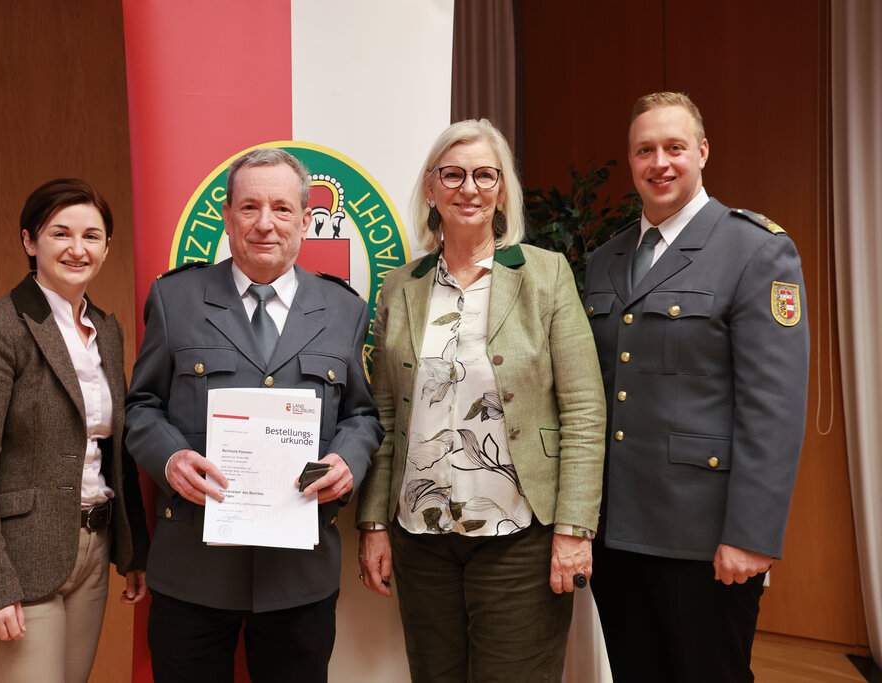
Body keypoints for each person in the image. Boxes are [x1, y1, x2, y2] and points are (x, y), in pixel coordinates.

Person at [355, 119, 606, 682]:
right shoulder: (401, 286)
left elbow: (585, 412)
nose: (468, 188)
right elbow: (385, 416)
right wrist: (373, 522)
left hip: (521, 535)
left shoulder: (545, 275)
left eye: (484, 174)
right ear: (430, 187)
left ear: (501, 189)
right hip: (420, 537)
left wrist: (574, 528)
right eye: (453, 174)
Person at [124, 148, 383, 683]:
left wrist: (349, 461)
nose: (266, 224)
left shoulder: (344, 309)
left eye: (282, 209)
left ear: (306, 221)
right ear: (227, 216)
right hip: (194, 566)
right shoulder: (175, 298)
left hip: (299, 574)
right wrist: (168, 457)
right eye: (250, 207)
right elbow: (141, 406)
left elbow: (362, 415)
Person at [583, 92, 810, 682]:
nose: (660, 162)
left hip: (705, 542)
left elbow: (773, 409)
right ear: (631, 161)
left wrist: (751, 536)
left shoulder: (756, 250)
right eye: (644, 150)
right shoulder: (604, 260)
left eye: (674, 147)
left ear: (702, 153)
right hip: (617, 533)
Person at [0, 178, 150, 682]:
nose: (78, 249)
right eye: (60, 234)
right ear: (30, 241)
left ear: (107, 247)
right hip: (15, 560)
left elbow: (115, 449)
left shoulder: (107, 332)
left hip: (92, 551)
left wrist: (132, 547)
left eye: (92, 236)